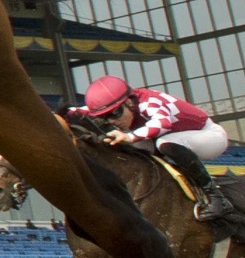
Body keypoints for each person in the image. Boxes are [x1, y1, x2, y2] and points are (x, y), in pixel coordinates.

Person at [74, 75, 233, 221]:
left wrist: (131, 136)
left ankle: (217, 198)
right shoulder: (126, 103)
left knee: (162, 143)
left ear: (129, 102)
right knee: (131, 147)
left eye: (115, 113)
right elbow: (75, 111)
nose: (112, 121)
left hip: (209, 136)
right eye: (104, 117)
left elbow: (163, 123)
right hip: (178, 138)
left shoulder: (149, 102)